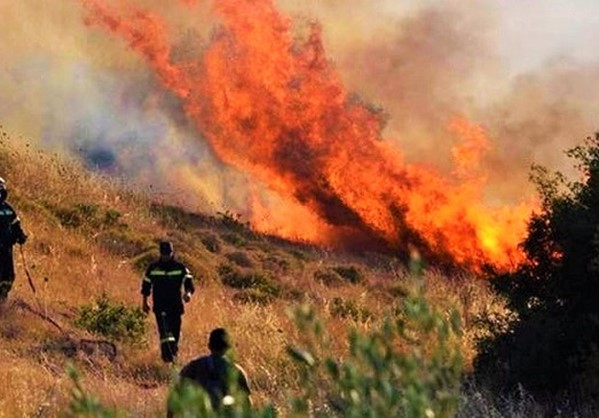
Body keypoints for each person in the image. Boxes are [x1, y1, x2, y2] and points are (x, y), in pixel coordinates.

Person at [142, 240, 194, 363]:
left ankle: (173, 355)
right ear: (160, 253)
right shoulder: (153, 268)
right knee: (165, 333)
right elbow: (146, 285)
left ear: (172, 253)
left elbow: (189, 282)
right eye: (164, 254)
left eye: (168, 253)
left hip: (175, 306)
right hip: (160, 306)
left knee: (175, 332)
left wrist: (188, 293)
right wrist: (144, 302)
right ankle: (167, 359)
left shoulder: (180, 267)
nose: (166, 256)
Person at [178, 328, 252, 411]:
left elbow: (177, 388)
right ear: (228, 348)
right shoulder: (236, 370)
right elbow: (247, 403)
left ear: (209, 346)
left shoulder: (196, 365)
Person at [0, 177, 27, 300]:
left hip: (7, 248)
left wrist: (20, 235)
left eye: (2, 187)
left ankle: (3, 298)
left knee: (9, 276)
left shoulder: (8, 209)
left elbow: (16, 224)